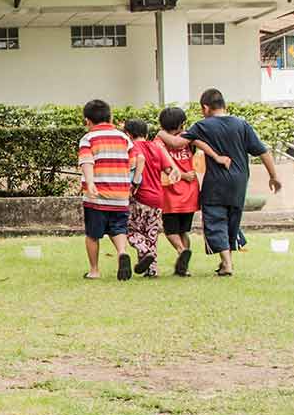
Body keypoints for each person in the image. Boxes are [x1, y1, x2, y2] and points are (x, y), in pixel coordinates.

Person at [165, 88, 281, 276]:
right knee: (231, 222)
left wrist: (160, 135)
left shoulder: (203, 126)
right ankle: (226, 261)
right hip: (239, 181)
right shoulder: (242, 124)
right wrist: (273, 176)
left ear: (205, 107)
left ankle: (227, 264)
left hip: (216, 183)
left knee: (216, 221)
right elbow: (262, 151)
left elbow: (176, 143)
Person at [78, 100, 139, 281]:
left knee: (92, 234)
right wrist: (132, 182)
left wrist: (90, 184)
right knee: (118, 228)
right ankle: (121, 253)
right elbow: (135, 160)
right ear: (110, 117)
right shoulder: (123, 138)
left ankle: (94, 270)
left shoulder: (88, 139)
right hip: (120, 195)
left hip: (97, 197)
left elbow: (87, 162)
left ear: (87, 121)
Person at [156, 106, 202, 277]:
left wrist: (180, 175)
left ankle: (181, 251)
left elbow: (161, 164)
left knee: (170, 230)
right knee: (183, 231)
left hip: (171, 193)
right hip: (190, 192)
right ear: (181, 124)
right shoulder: (187, 139)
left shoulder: (159, 141)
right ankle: (184, 266)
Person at [125, 119, 173, 278]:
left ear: (128, 134)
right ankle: (151, 270)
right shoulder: (156, 147)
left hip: (139, 196)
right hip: (158, 198)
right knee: (151, 234)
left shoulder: (131, 148)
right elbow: (168, 170)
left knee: (131, 230)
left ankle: (145, 252)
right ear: (146, 133)